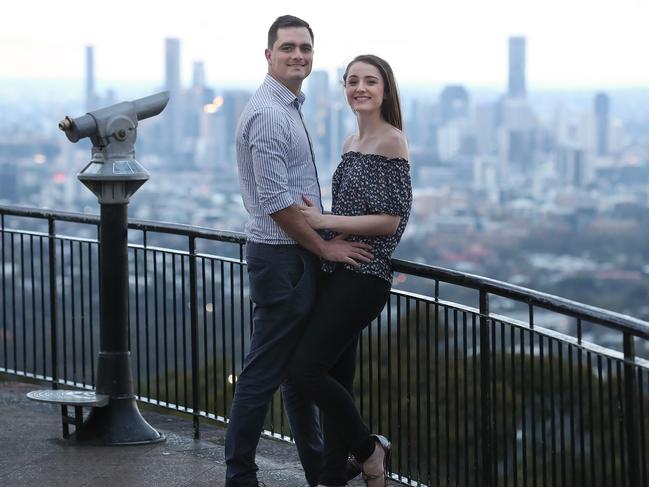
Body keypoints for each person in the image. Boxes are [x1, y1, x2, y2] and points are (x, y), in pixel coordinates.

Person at [225, 16, 375, 487]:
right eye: (287, 47)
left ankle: (318, 470)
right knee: (263, 373)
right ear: (267, 54)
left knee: (292, 375)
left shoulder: (286, 106)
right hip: (284, 259)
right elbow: (275, 202)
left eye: (305, 48)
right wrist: (324, 249)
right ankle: (241, 476)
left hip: (291, 258)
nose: (298, 56)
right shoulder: (271, 114)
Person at [288, 54, 412, 487]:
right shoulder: (349, 143)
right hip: (337, 271)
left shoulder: (391, 141)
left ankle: (369, 450)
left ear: (385, 89)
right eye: (352, 80)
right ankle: (330, 478)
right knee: (337, 377)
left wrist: (324, 222)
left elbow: (390, 220)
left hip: (366, 276)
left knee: (303, 371)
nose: (360, 87)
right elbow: (351, 210)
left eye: (370, 81)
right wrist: (322, 221)